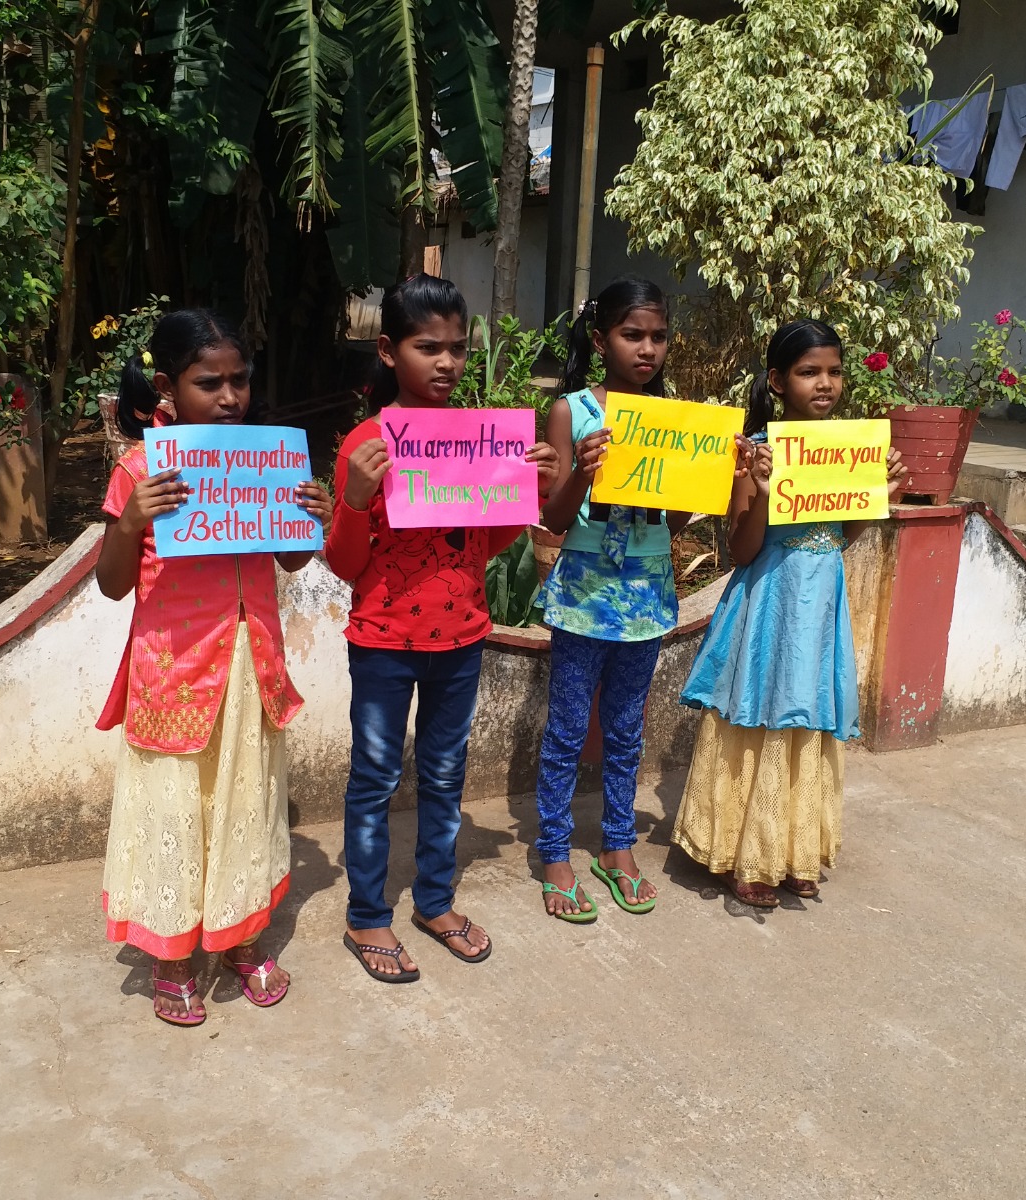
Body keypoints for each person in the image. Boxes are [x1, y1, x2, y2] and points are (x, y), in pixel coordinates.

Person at [94, 309, 333, 1027]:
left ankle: (240, 937)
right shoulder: (141, 470)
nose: (230, 397)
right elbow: (112, 585)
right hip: (172, 671)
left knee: (245, 803)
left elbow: (291, 558)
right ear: (168, 386)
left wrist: (311, 515)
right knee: (174, 806)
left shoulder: (266, 461)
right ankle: (172, 956)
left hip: (250, 665)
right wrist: (132, 521)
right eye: (209, 383)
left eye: (240, 380)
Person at [326, 275, 558, 982]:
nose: (447, 362)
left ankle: (434, 901)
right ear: (388, 350)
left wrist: (529, 491)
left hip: (461, 639)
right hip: (382, 643)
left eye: (458, 347)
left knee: (446, 773)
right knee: (374, 777)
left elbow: (484, 546)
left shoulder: (478, 439)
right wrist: (356, 498)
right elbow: (345, 564)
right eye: (428, 347)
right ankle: (367, 914)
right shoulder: (366, 444)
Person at [672, 319, 906, 908]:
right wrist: (760, 488)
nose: (825, 384)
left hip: (821, 600)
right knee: (762, 706)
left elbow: (843, 535)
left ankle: (793, 849)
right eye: (808, 372)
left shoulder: (850, 449)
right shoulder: (759, 450)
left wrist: (882, 497)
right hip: (770, 600)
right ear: (778, 381)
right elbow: (743, 549)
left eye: (834, 372)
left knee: (808, 709)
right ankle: (745, 852)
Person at [533, 278, 696, 921]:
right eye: (633, 335)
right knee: (569, 728)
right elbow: (552, 517)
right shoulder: (571, 411)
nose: (647, 349)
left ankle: (617, 846)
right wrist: (583, 471)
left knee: (627, 729)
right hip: (583, 593)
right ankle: (553, 851)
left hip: (646, 595)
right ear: (602, 341)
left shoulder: (676, 421)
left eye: (658, 337)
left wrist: (707, 478)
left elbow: (674, 522)